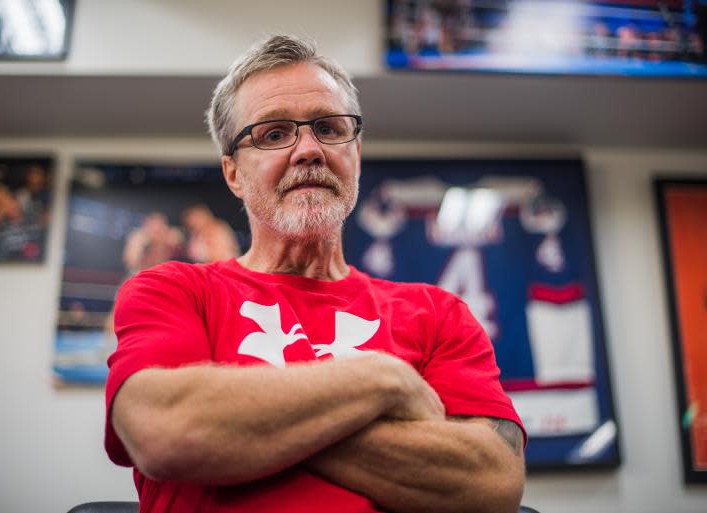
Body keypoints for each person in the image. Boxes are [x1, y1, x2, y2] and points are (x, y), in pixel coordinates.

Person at [105, 34, 526, 513]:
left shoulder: (438, 314)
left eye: (329, 128)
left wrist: (246, 430)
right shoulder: (172, 290)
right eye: (274, 134)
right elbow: (164, 431)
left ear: (356, 156)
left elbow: (493, 483)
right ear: (234, 174)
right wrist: (383, 381)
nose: (309, 149)